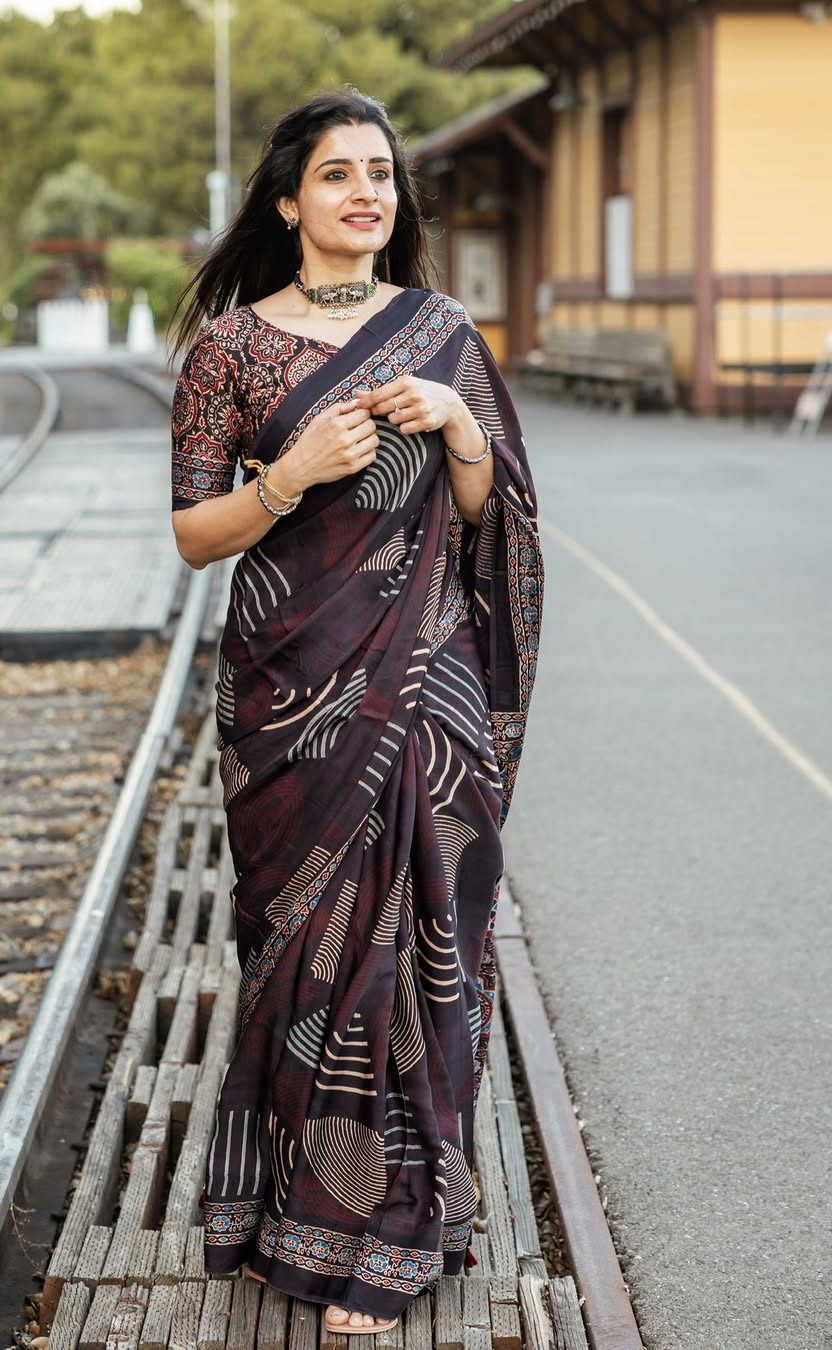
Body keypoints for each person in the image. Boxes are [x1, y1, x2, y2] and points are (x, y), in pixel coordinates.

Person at [169, 89, 542, 1337]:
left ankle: (391, 1231)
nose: (365, 193)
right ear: (289, 202)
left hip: (424, 696)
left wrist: (460, 432)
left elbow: (505, 533)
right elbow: (192, 537)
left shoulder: (442, 335)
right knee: (301, 959)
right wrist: (287, 477)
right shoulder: (229, 351)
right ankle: (294, 1212)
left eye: (381, 173)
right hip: (286, 709)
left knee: (422, 950)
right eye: (337, 175)